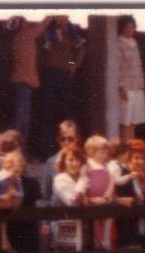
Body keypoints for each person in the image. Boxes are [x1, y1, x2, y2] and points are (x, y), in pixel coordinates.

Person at [37, 16, 86, 161]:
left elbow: (78, 51)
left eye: (66, 17)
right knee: (47, 113)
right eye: (61, 16)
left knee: (66, 113)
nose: (64, 19)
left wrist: (72, 64)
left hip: (64, 75)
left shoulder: (72, 32)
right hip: (49, 74)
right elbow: (39, 51)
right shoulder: (46, 30)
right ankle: (46, 153)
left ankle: (70, 151)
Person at [6, 16, 46, 151]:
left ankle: (17, 149)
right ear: (22, 25)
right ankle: (18, 151)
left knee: (20, 119)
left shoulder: (16, 38)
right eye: (25, 21)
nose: (28, 23)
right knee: (22, 121)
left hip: (20, 83)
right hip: (23, 84)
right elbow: (42, 26)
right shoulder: (26, 35)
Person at [114, 16, 145, 143]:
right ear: (122, 28)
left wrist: (142, 82)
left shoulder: (134, 42)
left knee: (134, 120)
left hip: (138, 85)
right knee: (126, 120)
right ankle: (124, 150)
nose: (131, 30)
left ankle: (132, 149)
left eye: (133, 27)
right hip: (126, 86)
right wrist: (121, 86)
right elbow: (118, 65)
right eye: (128, 27)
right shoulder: (118, 43)